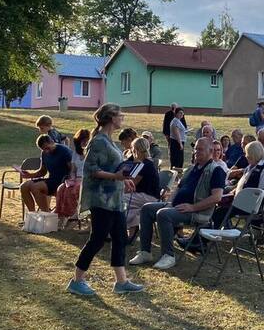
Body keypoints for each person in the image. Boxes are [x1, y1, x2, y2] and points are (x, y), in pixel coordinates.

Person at [69, 104, 143, 296]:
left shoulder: (109, 141)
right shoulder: (99, 141)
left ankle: (121, 281)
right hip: (101, 200)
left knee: (120, 238)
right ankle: (77, 280)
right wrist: (117, 177)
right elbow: (91, 170)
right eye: (121, 115)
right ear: (111, 118)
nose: (123, 118)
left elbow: (113, 168)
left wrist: (124, 180)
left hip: (115, 199)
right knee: (98, 239)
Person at [130, 138, 226, 270]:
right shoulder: (192, 168)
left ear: (210, 151)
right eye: (195, 148)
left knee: (164, 215)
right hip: (177, 207)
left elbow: (217, 197)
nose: (196, 151)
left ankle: (168, 255)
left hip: (197, 212)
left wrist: (193, 207)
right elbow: (179, 188)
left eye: (200, 149)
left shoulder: (216, 170)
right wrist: (169, 203)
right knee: (146, 208)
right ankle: (145, 252)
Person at [212, 141, 264, 227]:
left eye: (247, 154)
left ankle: (212, 233)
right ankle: (221, 229)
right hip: (239, 201)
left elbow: (262, 191)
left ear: (253, 154)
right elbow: (241, 185)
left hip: (250, 204)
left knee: (220, 212)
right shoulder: (249, 167)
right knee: (217, 205)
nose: (246, 156)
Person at [20, 134, 75, 212]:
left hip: (63, 181)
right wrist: (29, 175)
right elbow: (42, 171)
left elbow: (73, 169)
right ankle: (32, 214)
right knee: (23, 186)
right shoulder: (44, 153)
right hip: (52, 180)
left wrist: (71, 183)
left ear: (52, 142)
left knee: (35, 187)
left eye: (47, 148)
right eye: (43, 149)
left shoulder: (64, 151)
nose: (46, 151)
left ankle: (46, 213)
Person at [123, 137, 163, 238]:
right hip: (144, 195)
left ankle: (114, 226)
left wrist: (117, 190)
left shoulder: (145, 164)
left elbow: (131, 185)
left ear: (135, 149)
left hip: (149, 197)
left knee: (119, 199)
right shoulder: (142, 162)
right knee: (133, 210)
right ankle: (131, 231)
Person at [168, 107, 188, 172]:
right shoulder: (175, 121)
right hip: (176, 143)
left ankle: (178, 175)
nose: (182, 114)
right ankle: (175, 175)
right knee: (177, 160)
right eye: (180, 113)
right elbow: (176, 133)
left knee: (180, 160)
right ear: (176, 113)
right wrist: (180, 144)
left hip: (179, 142)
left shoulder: (178, 120)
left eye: (183, 113)